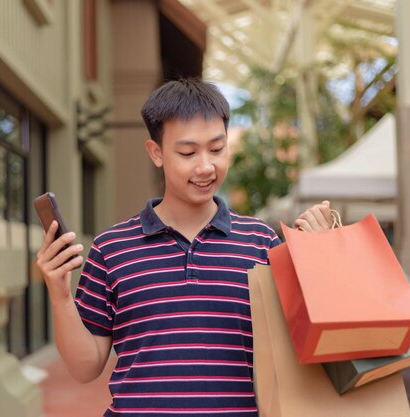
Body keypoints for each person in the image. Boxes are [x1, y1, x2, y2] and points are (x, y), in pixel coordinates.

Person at [36, 78, 333, 416]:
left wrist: (318, 258)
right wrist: (59, 293)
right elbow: (85, 367)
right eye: (188, 152)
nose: (206, 166)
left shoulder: (260, 243)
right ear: (156, 153)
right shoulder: (111, 249)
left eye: (217, 149)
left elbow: (306, 347)